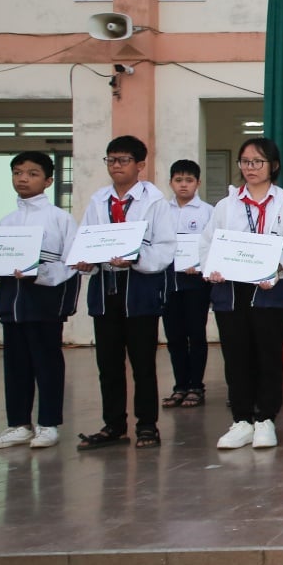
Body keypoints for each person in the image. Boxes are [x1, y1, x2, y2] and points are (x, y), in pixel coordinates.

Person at [203, 137, 283, 450]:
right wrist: (212, 268)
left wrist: (277, 270)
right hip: (231, 294)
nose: (250, 168)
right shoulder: (225, 206)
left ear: (273, 166)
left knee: (267, 357)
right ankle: (241, 420)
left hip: (269, 295)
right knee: (236, 357)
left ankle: (265, 420)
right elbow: (208, 243)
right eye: (245, 161)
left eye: (258, 162)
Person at [73, 135, 178, 451]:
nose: (116, 166)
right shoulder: (98, 200)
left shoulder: (154, 202)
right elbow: (88, 238)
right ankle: (114, 424)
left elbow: (165, 248)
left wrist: (136, 258)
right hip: (105, 288)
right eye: (111, 160)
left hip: (139, 289)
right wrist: (83, 259)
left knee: (143, 361)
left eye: (123, 160)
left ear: (140, 165)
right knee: (107, 362)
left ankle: (147, 425)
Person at [0, 152, 78, 450]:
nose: (23, 179)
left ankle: (48, 424)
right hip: (12, 306)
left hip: (44, 304)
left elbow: (70, 264)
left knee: (47, 364)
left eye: (31, 173)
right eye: (17, 173)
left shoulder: (60, 219)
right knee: (15, 366)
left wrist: (38, 274)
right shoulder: (6, 221)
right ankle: (18, 424)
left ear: (49, 180)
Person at [161, 158, 213, 410]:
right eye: (179, 180)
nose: (183, 185)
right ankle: (180, 386)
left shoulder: (207, 212)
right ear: (170, 182)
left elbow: (212, 246)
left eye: (189, 180)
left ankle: (196, 386)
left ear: (198, 183)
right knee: (174, 336)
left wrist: (200, 265)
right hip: (168, 281)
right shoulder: (161, 211)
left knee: (196, 334)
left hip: (196, 282)